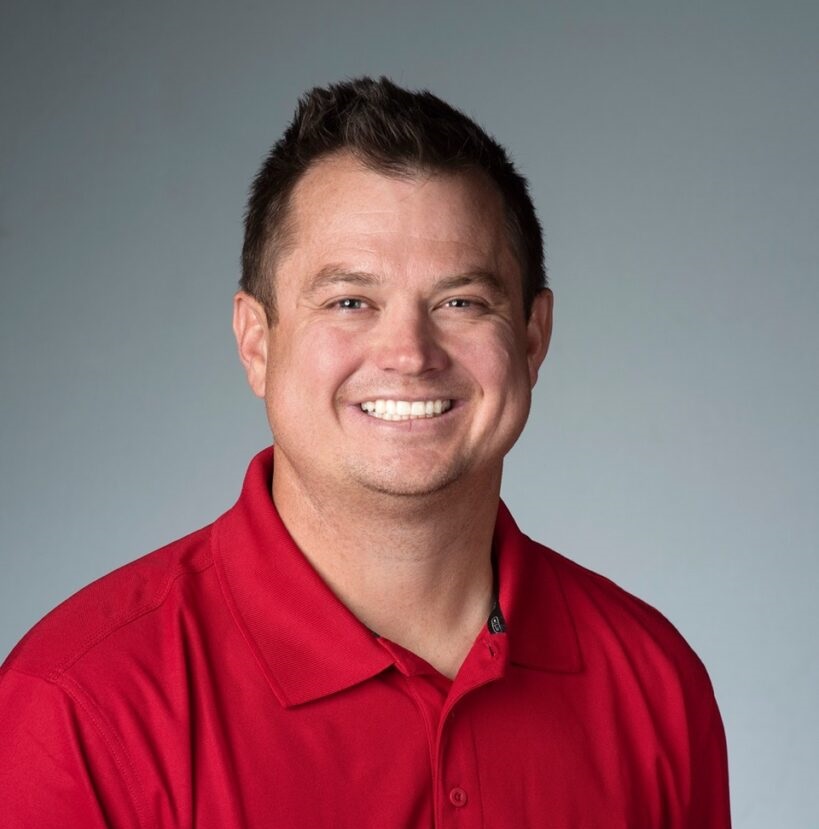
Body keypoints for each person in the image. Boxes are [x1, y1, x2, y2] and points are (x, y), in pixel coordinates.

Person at [0, 77, 731, 827]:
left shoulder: (656, 684)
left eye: (460, 302)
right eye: (350, 301)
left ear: (532, 339)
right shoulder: (78, 706)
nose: (409, 354)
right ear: (256, 342)